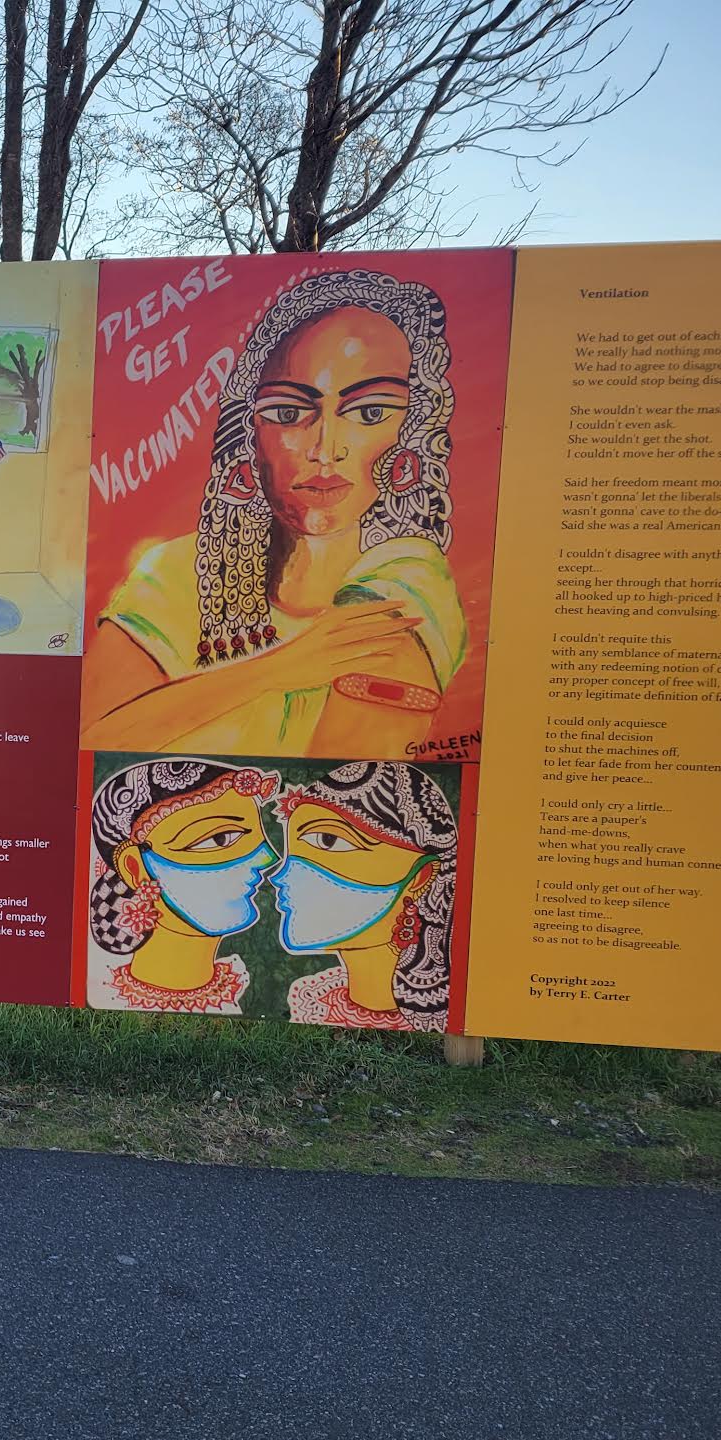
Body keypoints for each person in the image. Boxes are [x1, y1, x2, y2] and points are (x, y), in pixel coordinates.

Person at [82, 269, 469, 757]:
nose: (324, 450)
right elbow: (86, 744)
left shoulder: (407, 580)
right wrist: (279, 669)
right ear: (250, 434)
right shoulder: (176, 572)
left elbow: (342, 786)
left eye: (370, 412)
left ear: (412, 430)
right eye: (288, 414)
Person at [270, 761, 457, 1032]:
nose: (281, 876)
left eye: (328, 840)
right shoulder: (315, 998)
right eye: (293, 854)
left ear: (419, 876)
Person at [87, 758, 279, 1014]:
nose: (267, 858)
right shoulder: (107, 997)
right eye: (220, 839)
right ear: (135, 868)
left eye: (259, 838)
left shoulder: (249, 988)